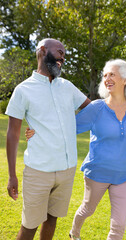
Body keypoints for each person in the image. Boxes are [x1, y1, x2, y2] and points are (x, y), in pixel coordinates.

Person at [5, 38, 91, 240]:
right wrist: (12, 175)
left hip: (67, 170)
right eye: (59, 51)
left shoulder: (67, 86)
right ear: (42, 50)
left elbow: (94, 107)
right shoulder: (23, 90)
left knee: (52, 219)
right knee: (29, 227)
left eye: (64, 54)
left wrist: (124, 103)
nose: (63, 57)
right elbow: (13, 133)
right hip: (38, 172)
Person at [68, 59, 126, 240]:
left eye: (112, 74)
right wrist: (40, 129)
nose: (107, 78)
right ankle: (74, 232)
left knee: (119, 225)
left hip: (124, 175)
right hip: (97, 173)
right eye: (105, 75)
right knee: (87, 209)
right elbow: (68, 128)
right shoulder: (96, 108)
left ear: (125, 79)